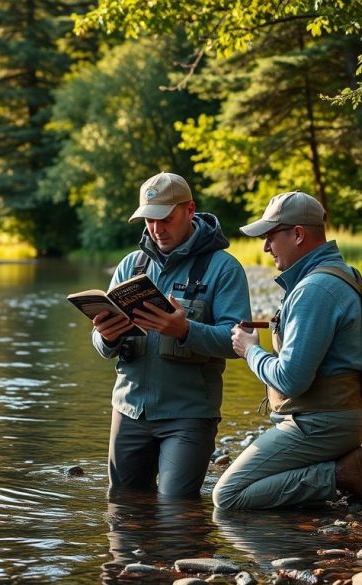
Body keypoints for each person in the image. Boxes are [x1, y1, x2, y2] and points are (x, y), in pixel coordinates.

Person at [213, 191, 362, 510]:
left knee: (228, 496)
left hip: (323, 423)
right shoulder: (342, 274)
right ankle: (346, 466)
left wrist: (250, 350)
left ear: (297, 234)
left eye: (270, 237)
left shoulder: (314, 290)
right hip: (342, 416)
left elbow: (290, 381)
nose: (265, 247)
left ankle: (342, 473)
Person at [90, 171, 251, 497]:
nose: (156, 229)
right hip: (129, 409)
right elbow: (100, 345)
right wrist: (105, 337)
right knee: (123, 507)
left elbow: (237, 343)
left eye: (165, 218)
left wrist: (185, 330)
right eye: (148, 220)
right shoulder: (129, 266)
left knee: (176, 509)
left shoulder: (223, 268)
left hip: (189, 415)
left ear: (189, 210)